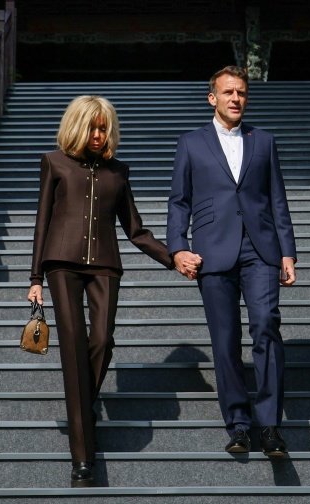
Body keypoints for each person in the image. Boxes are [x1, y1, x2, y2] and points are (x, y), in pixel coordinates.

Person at [27, 96, 192, 487]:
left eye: (104, 128)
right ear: (77, 126)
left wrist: (173, 258)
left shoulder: (119, 171)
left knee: (101, 340)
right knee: (73, 344)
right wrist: (35, 277)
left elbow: (136, 230)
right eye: (93, 127)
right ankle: (82, 458)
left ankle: (80, 410)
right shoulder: (54, 162)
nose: (99, 135)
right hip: (61, 263)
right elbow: (42, 219)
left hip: (105, 265)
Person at [167, 65, 297, 457]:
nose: (235, 98)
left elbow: (278, 199)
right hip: (212, 250)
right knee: (225, 341)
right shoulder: (191, 143)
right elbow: (179, 201)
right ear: (213, 98)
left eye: (241, 92)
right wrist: (177, 248)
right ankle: (239, 424)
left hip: (261, 250)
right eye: (228, 92)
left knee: (266, 326)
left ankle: (270, 425)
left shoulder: (264, 141)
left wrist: (287, 251)